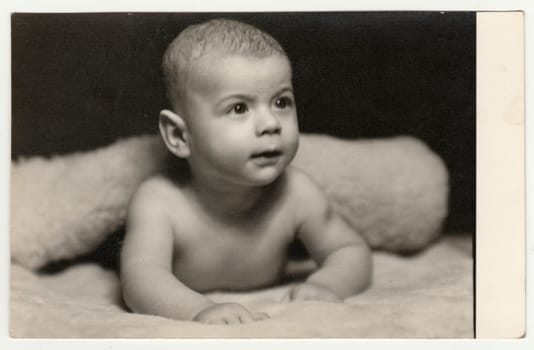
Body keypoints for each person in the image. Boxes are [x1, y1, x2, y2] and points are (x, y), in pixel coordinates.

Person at [120, 18, 372, 325]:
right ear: (179, 136)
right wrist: (197, 310)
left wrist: (326, 285)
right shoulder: (160, 201)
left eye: (281, 102)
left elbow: (350, 250)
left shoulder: (296, 192)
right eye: (239, 108)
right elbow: (141, 276)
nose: (271, 124)